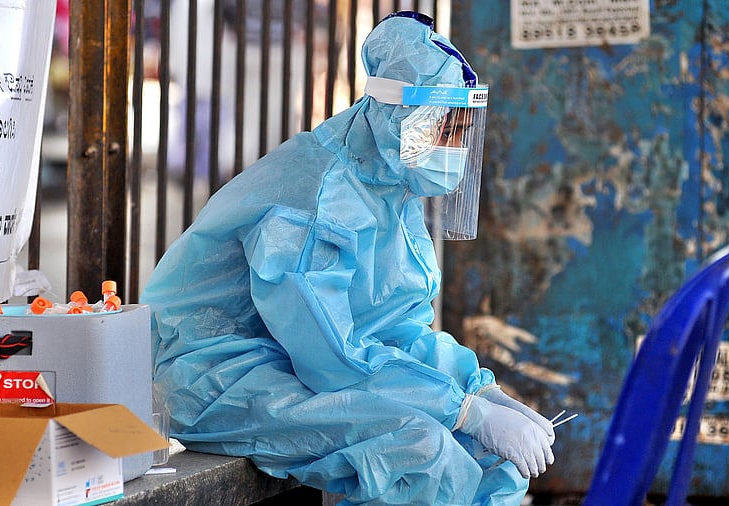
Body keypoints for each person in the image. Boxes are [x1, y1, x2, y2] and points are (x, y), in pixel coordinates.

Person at [141, 11, 555, 505]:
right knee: (417, 448)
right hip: (217, 376)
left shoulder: (390, 185)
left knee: (489, 457)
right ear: (400, 117)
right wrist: (464, 411)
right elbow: (332, 358)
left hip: (291, 362)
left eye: (461, 129)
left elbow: (393, 327)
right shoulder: (318, 198)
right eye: (443, 127)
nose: (454, 146)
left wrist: (479, 391)